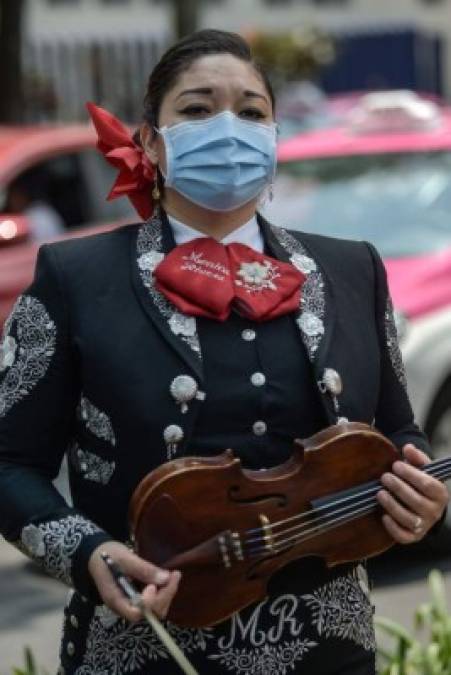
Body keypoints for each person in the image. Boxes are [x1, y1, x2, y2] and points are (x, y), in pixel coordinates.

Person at [0, 29, 448, 675]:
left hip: (328, 649)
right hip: (143, 647)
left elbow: (398, 433)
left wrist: (421, 502)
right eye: (196, 109)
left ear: (273, 136)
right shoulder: (76, 275)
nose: (227, 128)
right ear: (150, 141)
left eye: (251, 111)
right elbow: (10, 461)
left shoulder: (352, 269)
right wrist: (88, 552)